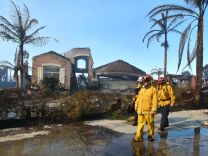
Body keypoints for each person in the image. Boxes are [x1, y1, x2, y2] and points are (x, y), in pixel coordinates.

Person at [134, 74, 158, 142]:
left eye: (146, 81)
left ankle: (151, 136)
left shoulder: (153, 90)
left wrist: (154, 109)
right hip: (140, 111)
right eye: (144, 81)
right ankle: (138, 137)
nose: (145, 82)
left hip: (149, 111)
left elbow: (155, 101)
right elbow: (138, 98)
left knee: (150, 125)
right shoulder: (142, 89)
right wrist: (136, 105)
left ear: (149, 81)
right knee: (140, 125)